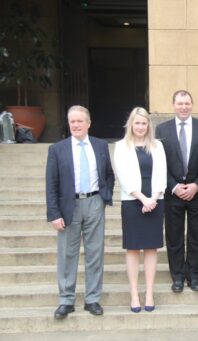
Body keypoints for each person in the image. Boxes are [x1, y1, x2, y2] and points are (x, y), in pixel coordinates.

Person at [46, 105, 115, 319]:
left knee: (95, 253)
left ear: (88, 123)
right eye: (72, 121)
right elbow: (51, 184)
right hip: (69, 206)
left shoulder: (101, 146)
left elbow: (109, 174)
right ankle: (66, 300)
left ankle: (92, 299)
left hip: (94, 202)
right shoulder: (57, 149)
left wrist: (104, 196)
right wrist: (54, 213)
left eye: (79, 121)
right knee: (67, 254)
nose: (75, 125)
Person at [155, 90, 198, 293]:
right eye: (180, 103)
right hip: (173, 193)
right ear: (173, 105)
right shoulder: (161, 129)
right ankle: (178, 276)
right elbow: (159, 163)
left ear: (192, 104)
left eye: (187, 103)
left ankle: (194, 276)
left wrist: (197, 185)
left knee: (197, 236)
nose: (183, 107)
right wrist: (174, 186)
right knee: (174, 236)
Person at [113, 107, 167, 313]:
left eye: (144, 123)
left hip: (155, 200)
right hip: (133, 201)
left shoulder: (158, 146)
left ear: (148, 125)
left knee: (151, 247)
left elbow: (162, 172)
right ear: (131, 124)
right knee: (133, 248)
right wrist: (143, 199)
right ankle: (135, 293)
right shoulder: (121, 147)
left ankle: (149, 292)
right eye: (137, 123)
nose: (140, 127)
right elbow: (123, 177)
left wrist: (153, 198)